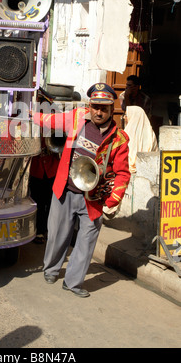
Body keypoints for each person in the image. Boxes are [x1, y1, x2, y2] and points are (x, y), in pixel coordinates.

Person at [33, 83, 131, 297]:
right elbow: (49, 120)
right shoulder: (77, 118)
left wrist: (112, 201)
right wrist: (26, 112)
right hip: (65, 191)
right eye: (95, 106)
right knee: (58, 235)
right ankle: (51, 268)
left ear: (111, 109)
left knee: (86, 242)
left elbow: (123, 173)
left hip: (94, 198)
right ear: (90, 105)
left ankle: (73, 282)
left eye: (104, 108)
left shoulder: (119, 139)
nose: (99, 112)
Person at [124, 105, 158, 173]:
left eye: (126, 115)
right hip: (146, 172)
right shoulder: (151, 133)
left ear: (134, 116)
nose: (124, 117)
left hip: (130, 173)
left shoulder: (126, 134)